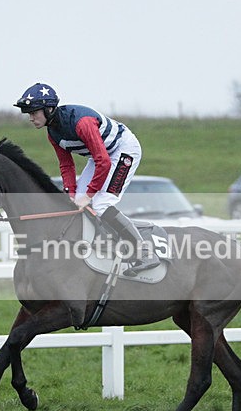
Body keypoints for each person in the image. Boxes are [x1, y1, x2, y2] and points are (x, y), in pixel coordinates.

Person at [14, 82, 159, 276]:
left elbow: (103, 162)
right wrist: (71, 194)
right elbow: (66, 165)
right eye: (29, 114)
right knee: (75, 202)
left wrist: (89, 195)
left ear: (48, 109)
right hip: (101, 156)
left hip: (123, 150)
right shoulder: (52, 133)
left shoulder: (82, 123)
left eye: (33, 113)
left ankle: (145, 253)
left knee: (101, 204)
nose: (31, 118)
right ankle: (101, 241)